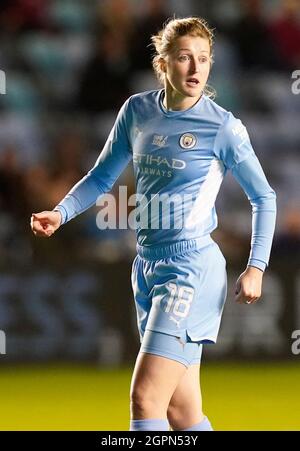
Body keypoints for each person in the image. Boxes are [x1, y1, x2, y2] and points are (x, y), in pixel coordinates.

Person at [30, 17, 276, 431]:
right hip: (147, 266)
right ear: (163, 65)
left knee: (146, 397)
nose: (196, 69)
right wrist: (61, 211)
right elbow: (101, 177)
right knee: (183, 414)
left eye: (203, 59)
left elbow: (264, 197)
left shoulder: (223, 127)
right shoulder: (137, 111)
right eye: (184, 59)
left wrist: (257, 266)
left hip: (191, 269)